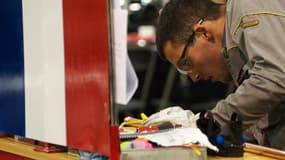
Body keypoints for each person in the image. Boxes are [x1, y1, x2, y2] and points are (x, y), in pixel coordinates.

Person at [156, 0, 285, 150]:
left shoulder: (249, 7)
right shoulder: (237, 44)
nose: (193, 77)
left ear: (203, 33)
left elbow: (276, 76)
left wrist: (213, 121)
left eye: (186, 64)